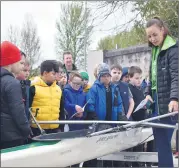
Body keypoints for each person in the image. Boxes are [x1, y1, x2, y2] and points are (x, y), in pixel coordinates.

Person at [145, 17, 178, 167]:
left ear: (163, 30)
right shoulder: (155, 50)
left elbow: (176, 75)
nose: (152, 39)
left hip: (168, 102)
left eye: (155, 35)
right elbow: (151, 77)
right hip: (155, 103)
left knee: (165, 141)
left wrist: (175, 98)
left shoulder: (173, 49)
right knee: (160, 143)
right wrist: (147, 93)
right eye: (149, 36)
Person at [84, 63, 125, 167]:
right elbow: (90, 105)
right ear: (99, 77)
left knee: (111, 150)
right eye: (103, 76)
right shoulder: (94, 89)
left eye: (108, 76)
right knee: (99, 151)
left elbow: (119, 103)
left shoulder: (115, 89)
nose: (106, 78)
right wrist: (97, 121)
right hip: (99, 125)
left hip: (112, 123)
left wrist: (120, 117)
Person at [0, 41, 31, 149]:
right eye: (19, 62)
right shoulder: (12, 83)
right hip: (12, 137)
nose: (21, 66)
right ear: (11, 62)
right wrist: (27, 130)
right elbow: (18, 112)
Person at [29, 60, 64, 136]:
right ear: (45, 73)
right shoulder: (33, 88)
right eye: (53, 74)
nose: (55, 76)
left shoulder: (58, 89)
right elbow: (27, 108)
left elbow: (61, 110)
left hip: (55, 129)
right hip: (37, 129)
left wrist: (61, 127)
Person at [128, 66, 153, 167]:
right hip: (134, 121)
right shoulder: (128, 88)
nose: (139, 80)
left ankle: (140, 164)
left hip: (141, 120)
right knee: (134, 148)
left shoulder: (140, 89)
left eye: (140, 78)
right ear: (130, 77)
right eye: (136, 78)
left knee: (141, 146)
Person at [110, 64, 134, 167]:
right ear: (110, 73)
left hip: (124, 119)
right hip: (112, 120)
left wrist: (128, 116)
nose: (117, 75)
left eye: (119, 73)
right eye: (114, 72)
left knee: (125, 146)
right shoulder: (108, 85)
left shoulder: (125, 86)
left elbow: (131, 102)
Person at [16, 51, 31, 120]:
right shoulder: (13, 84)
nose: (27, 73)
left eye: (29, 71)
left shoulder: (27, 85)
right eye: (25, 71)